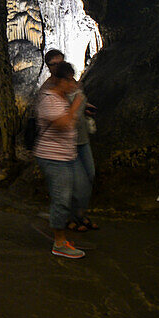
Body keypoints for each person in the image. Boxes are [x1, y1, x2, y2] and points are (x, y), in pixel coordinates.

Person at [34, 61, 87, 259]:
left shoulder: (62, 97)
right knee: (62, 198)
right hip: (52, 157)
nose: (73, 83)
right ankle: (59, 242)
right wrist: (75, 105)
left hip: (67, 156)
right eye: (70, 79)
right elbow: (64, 124)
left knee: (79, 191)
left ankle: (57, 220)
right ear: (60, 80)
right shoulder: (49, 99)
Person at [42, 50, 98, 232]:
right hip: (64, 146)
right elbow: (62, 120)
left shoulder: (73, 83)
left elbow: (79, 101)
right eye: (54, 64)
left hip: (81, 138)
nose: (58, 67)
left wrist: (85, 107)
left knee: (88, 176)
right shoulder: (48, 90)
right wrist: (76, 105)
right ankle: (68, 220)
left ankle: (79, 215)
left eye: (61, 62)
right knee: (70, 185)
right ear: (49, 67)